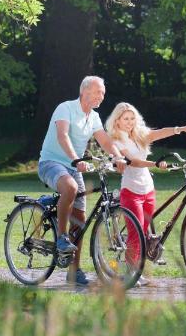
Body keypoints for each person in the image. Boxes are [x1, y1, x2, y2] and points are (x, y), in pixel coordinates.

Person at [38, 76, 126, 286]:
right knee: (70, 186)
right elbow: (63, 136)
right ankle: (61, 237)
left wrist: (117, 156)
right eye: (98, 92)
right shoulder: (65, 108)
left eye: (103, 93)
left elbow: (103, 139)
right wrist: (75, 159)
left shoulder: (93, 117)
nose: (101, 96)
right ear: (84, 91)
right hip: (51, 162)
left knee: (79, 219)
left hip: (73, 166)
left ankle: (74, 271)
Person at [105, 102, 186, 281]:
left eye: (132, 118)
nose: (130, 122)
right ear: (117, 121)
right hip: (131, 189)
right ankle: (131, 273)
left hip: (148, 188)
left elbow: (159, 132)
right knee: (136, 231)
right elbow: (133, 162)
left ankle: (135, 269)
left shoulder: (139, 135)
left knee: (144, 230)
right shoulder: (116, 141)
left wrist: (181, 129)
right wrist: (154, 164)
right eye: (126, 119)